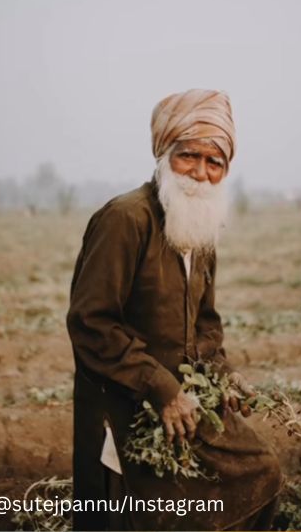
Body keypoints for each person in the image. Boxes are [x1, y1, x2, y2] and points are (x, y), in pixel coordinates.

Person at [67, 90, 282, 530]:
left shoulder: (200, 227)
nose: (200, 174)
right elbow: (91, 323)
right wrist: (161, 388)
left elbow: (205, 323)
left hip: (186, 404)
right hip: (126, 405)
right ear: (165, 154)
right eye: (189, 156)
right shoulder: (126, 220)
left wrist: (221, 374)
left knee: (263, 474)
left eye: (214, 162)